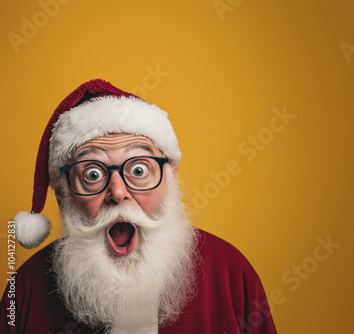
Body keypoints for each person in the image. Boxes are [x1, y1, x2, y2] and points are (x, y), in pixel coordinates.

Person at [0, 79, 277, 334]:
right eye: (92, 174)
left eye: (139, 169)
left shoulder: (232, 274)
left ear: (170, 178)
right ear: (63, 194)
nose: (118, 192)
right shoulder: (24, 291)